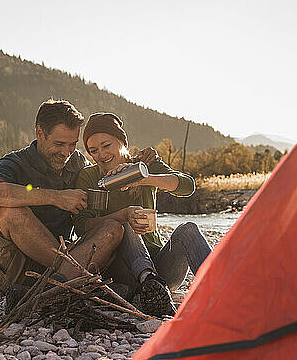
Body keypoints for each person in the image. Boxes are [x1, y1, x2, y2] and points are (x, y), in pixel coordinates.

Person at [0, 100, 158, 311]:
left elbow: (104, 172)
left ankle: (53, 291)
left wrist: (138, 162)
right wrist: (56, 197)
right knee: (11, 213)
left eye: (72, 144)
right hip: (18, 271)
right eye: (59, 144)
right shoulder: (15, 162)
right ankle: (74, 286)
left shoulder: (76, 162)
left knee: (113, 228)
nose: (66, 152)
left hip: (66, 261)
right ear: (40, 133)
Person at [73, 112, 213, 316]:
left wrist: (143, 178)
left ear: (122, 141)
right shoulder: (89, 176)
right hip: (120, 272)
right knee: (124, 225)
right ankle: (149, 284)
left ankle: (220, 288)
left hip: (161, 269)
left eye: (106, 145)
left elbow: (186, 186)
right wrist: (123, 215)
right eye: (93, 150)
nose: (101, 155)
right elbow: (81, 226)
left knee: (188, 230)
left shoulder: (143, 165)